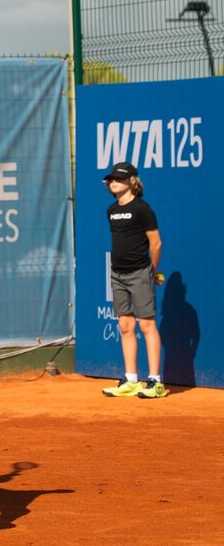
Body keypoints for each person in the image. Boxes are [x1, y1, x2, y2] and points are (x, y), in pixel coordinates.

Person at [101, 162, 168, 398]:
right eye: (111, 179)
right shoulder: (111, 210)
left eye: (118, 178)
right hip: (117, 274)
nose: (113, 182)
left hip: (140, 272)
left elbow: (156, 243)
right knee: (125, 326)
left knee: (146, 325)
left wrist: (152, 270)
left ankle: (155, 382)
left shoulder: (143, 209)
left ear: (131, 181)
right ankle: (131, 380)